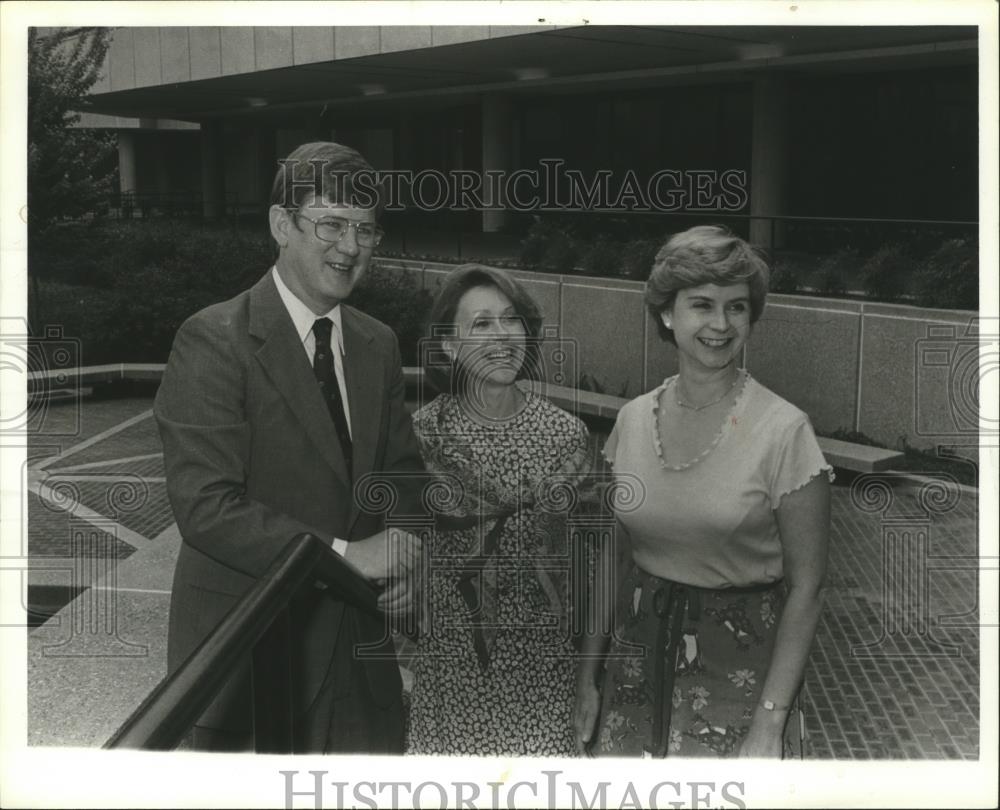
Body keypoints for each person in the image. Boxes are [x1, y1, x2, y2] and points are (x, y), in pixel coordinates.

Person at [154, 141, 425, 753]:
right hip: (250, 662)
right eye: (330, 224)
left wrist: (409, 546)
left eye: (364, 229)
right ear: (282, 224)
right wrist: (342, 554)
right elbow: (205, 506)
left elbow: (404, 474)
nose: (350, 247)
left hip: (360, 662)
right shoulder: (214, 338)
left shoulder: (377, 343)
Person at [573, 225, 832, 759]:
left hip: (740, 675)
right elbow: (614, 556)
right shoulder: (631, 421)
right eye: (702, 305)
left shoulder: (785, 430)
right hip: (634, 665)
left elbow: (808, 588)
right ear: (667, 314)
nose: (720, 324)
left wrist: (768, 724)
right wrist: (587, 677)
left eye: (737, 307)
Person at [406, 265, 592, 756]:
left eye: (511, 321)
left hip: (542, 673)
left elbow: (583, 567)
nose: (502, 336)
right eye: (482, 324)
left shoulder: (565, 436)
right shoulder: (422, 437)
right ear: (449, 346)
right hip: (453, 674)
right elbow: (403, 550)